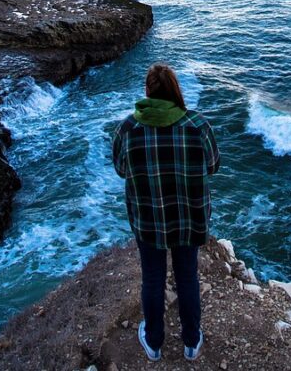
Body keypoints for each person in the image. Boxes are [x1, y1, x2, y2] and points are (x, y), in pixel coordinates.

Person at [112, 63, 220, 362]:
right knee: (187, 278)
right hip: (189, 218)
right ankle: (191, 342)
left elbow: (121, 170)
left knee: (152, 278)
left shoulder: (127, 128)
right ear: (176, 90)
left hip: (148, 220)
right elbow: (213, 165)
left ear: (148, 92)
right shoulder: (197, 125)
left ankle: (154, 342)